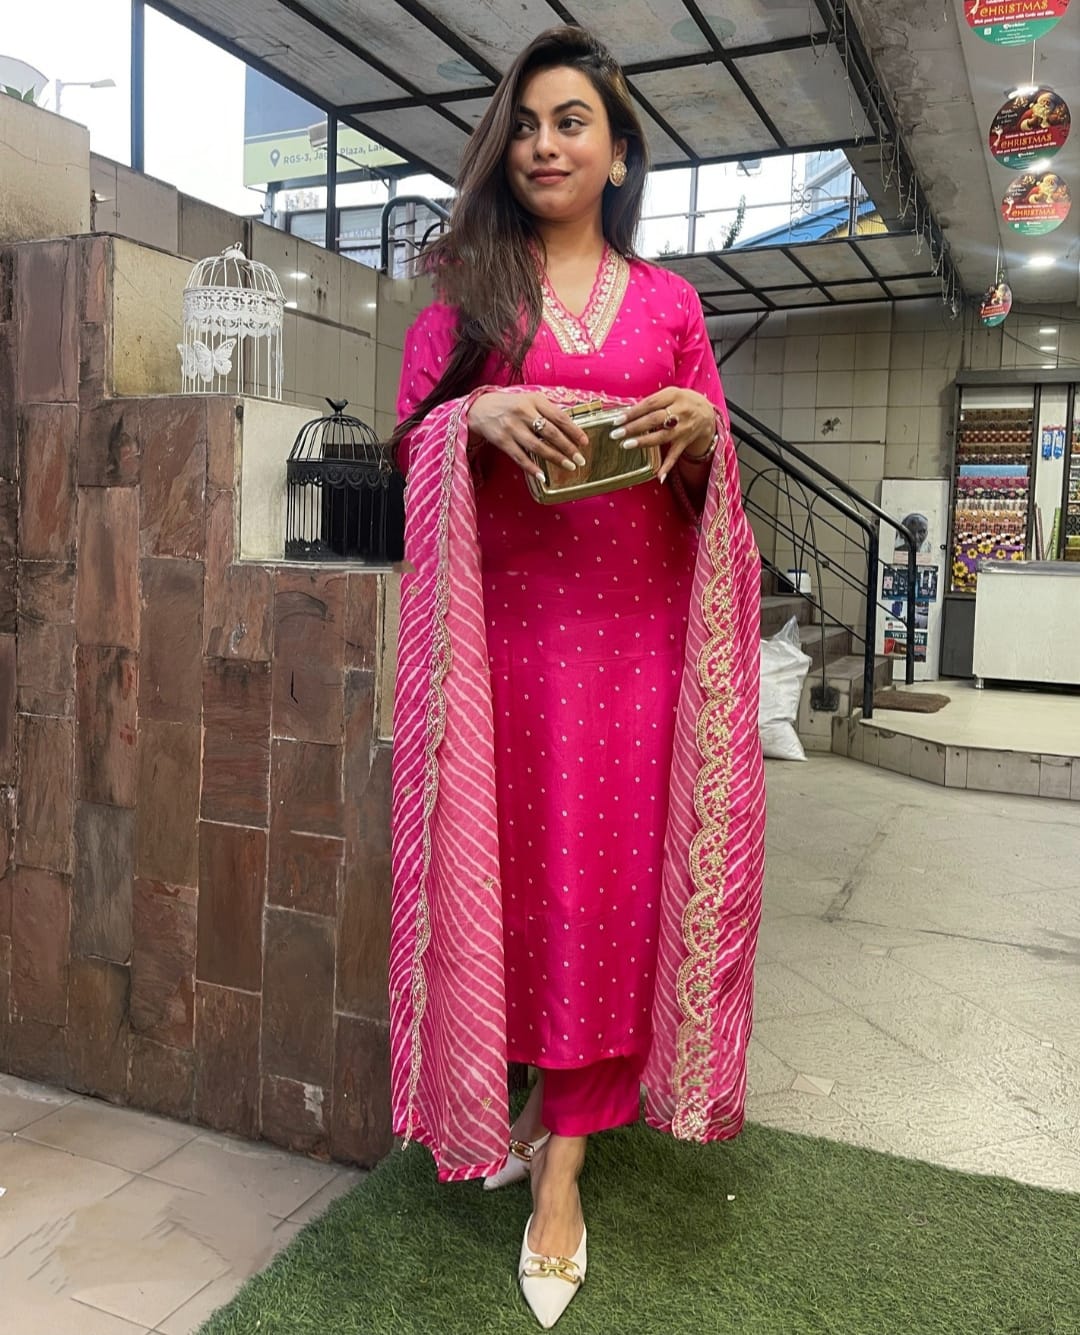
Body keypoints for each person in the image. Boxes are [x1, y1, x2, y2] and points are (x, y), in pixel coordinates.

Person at [389, 25, 765, 1329]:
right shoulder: (464, 303)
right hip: (501, 657)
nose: (544, 146)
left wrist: (703, 434)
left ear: (618, 153)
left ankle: (564, 1174)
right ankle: (500, 1102)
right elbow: (405, 452)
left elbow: (714, 493)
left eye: (571, 123)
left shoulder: (669, 309)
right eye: (527, 124)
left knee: (606, 899)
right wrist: (467, 418)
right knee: (508, 889)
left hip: (636, 654)